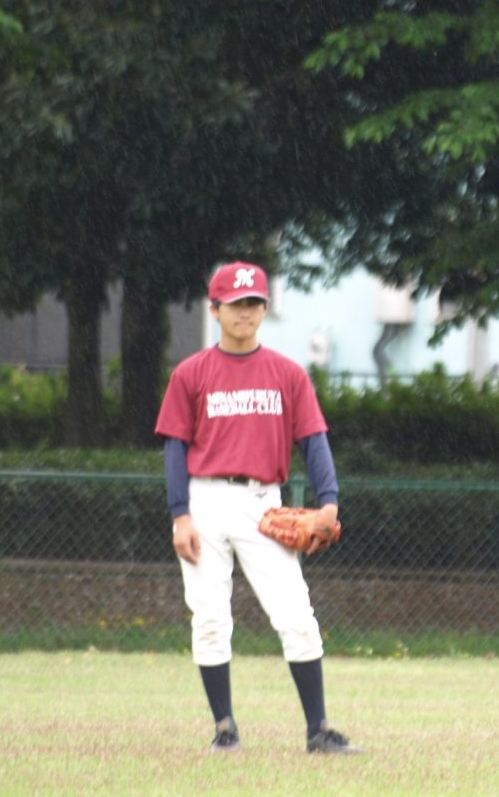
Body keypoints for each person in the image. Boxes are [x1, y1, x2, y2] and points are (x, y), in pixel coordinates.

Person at [154, 260, 360, 755]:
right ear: (215, 309)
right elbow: (175, 448)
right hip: (204, 499)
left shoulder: (288, 374)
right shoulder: (191, 373)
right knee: (209, 617)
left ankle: (318, 730)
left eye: (253, 303)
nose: (244, 312)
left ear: (265, 309)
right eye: (234, 304)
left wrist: (329, 501)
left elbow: (314, 439)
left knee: (296, 614)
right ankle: (224, 728)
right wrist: (180, 514)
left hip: (264, 502)